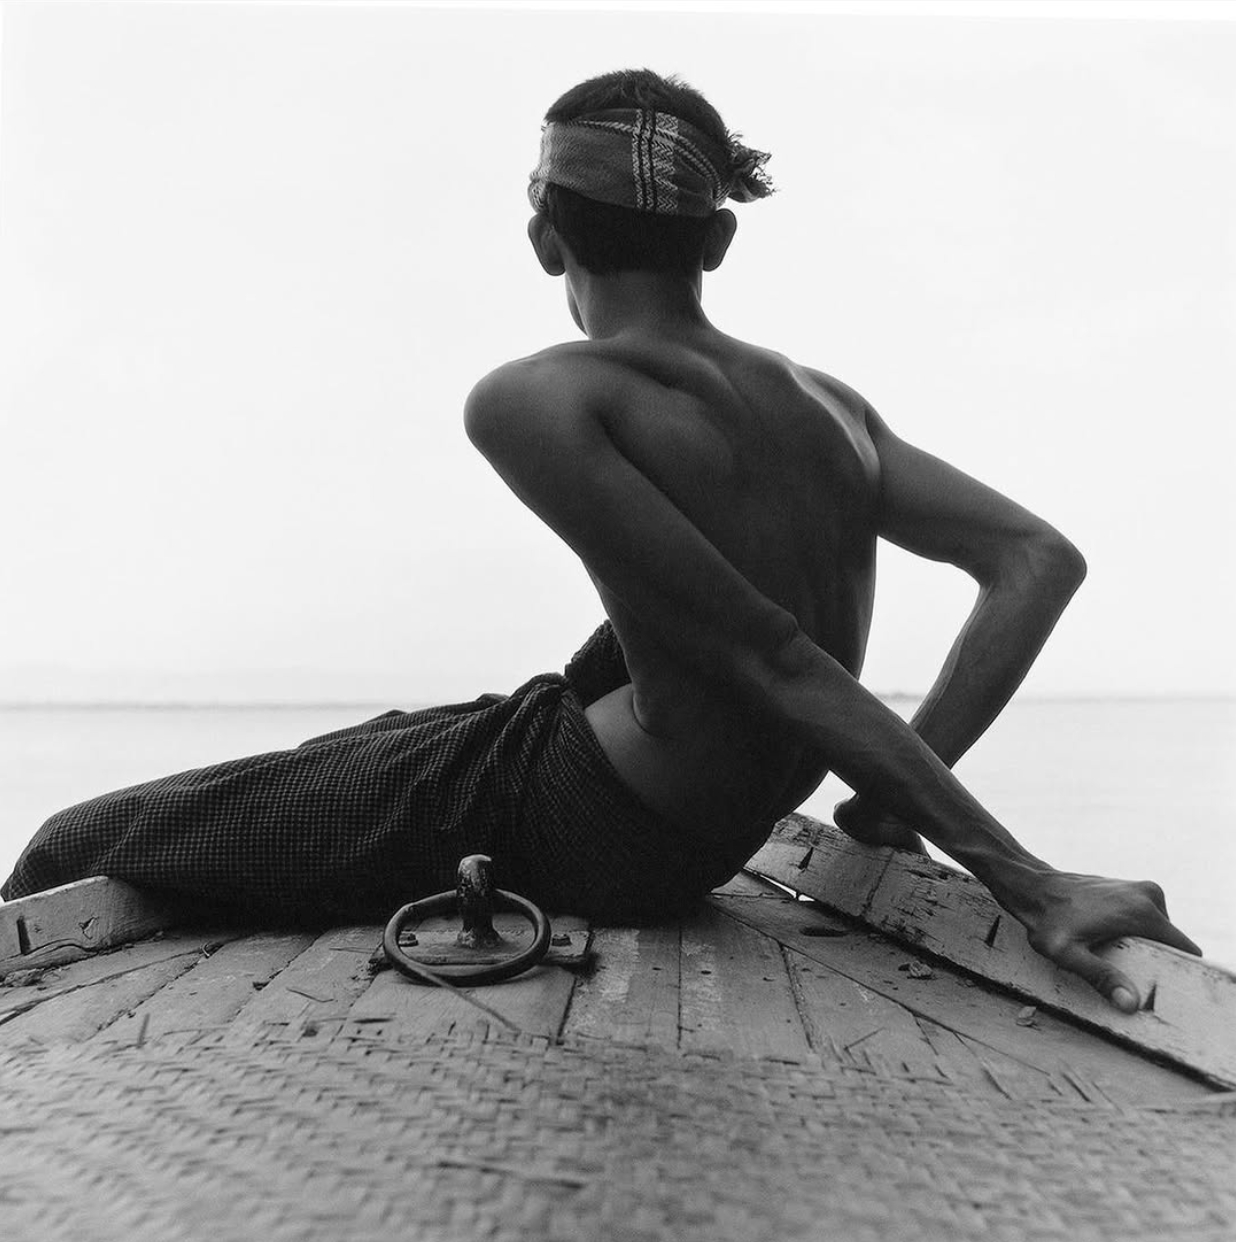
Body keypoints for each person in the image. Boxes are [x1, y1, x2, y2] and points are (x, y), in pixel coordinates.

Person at [2, 69, 1199, 1012]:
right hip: (638, 789)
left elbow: (772, 656)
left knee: (82, 839)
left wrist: (1027, 880)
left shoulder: (542, 397)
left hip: (603, 825)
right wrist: (887, 809)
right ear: (716, 243)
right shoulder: (830, 409)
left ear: (545, 238)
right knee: (387, 743)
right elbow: (1037, 562)